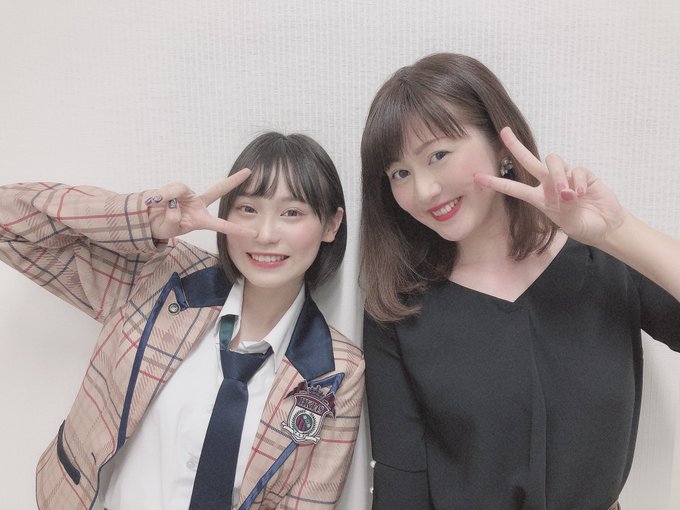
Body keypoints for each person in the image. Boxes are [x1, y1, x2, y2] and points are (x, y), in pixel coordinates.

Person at [359, 53, 680, 510]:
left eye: (438, 155)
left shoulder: (600, 260)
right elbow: (401, 486)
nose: (424, 190)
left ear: (500, 143)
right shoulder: (399, 308)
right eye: (400, 173)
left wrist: (617, 232)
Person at [0, 132, 364, 510]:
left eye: (292, 213)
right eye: (248, 209)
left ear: (331, 224)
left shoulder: (336, 370)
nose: (265, 234)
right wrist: (142, 219)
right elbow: (9, 225)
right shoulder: (164, 278)